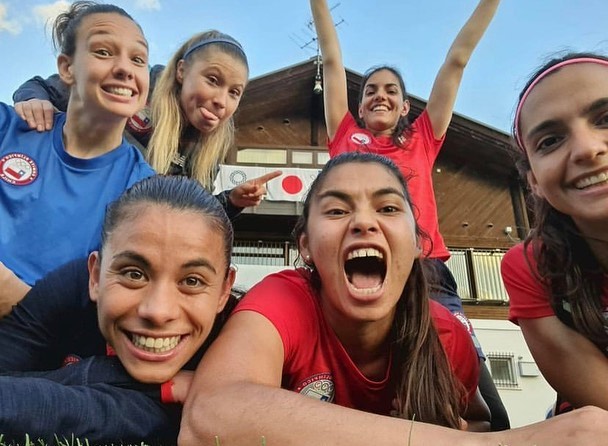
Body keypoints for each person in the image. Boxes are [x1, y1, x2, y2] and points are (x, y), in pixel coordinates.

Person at [180, 152, 494, 446]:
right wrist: (418, 437)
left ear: (415, 243)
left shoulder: (445, 335)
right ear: (306, 246)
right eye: (337, 211)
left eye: (387, 208)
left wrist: (455, 429)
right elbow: (210, 414)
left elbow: (480, 423)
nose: (363, 222)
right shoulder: (284, 300)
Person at [310, 0, 509, 430]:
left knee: (489, 412)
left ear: (405, 108)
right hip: (361, 272)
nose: (380, 95)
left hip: (429, 274)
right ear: (359, 108)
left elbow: (456, 62)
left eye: (391, 91)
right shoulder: (345, 134)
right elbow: (330, 57)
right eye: (370, 91)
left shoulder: (421, 137)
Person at [0, 174, 238, 443]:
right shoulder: (67, 291)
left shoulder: (241, 330)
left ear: (223, 291)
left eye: (192, 281)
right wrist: (155, 389)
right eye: (134, 274)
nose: (158, 311)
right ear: (95, 276)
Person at [12, 28, 281, 219]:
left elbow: (189, 212)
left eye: (234, 92)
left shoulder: (209, 147)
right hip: (66, 205)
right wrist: (34, 101)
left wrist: (231, 201)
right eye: (212, 80)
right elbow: (46, 87)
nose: (221, 101)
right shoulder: (140, 86)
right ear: (182, 71)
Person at [0, 1, 154, 314]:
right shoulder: (7, 127)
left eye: (138, 59)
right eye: (103, 52)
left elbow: (113, 299)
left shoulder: (142, 188)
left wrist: (17, 300)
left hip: (43, 347)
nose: (125, 69)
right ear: (67, 68)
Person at [502, 53, 608, 417]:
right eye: (550, 141)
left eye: (606, 119)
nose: (587, 149)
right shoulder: (531, 266)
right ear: (534, 182)